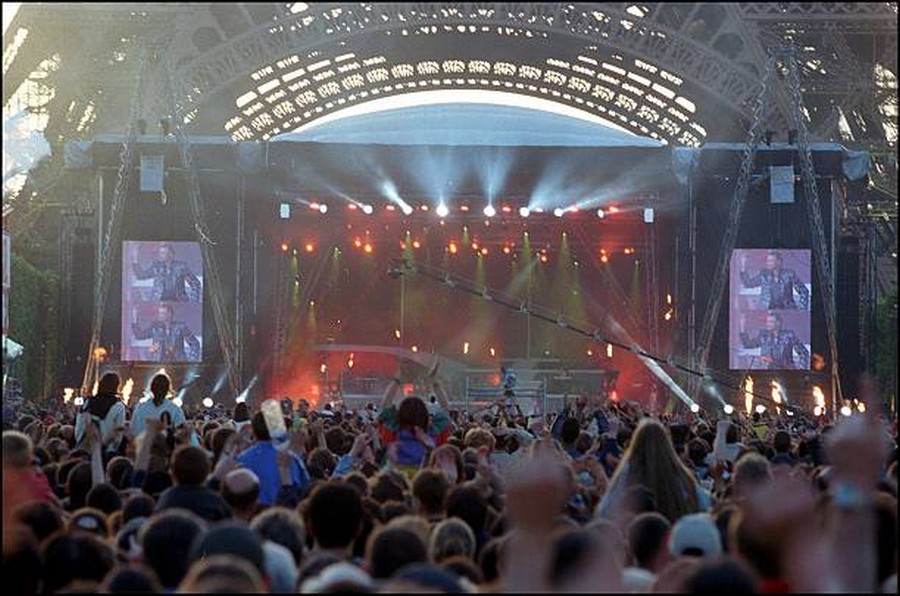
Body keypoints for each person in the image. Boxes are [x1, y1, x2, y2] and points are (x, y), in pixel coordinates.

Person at [74, 372, 126, 457]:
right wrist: (112, 449)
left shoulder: (88, 402)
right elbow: (118, 433)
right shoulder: (119, 407)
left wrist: (80, 442)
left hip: (84, 449)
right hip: (106, 451)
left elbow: (79, 426)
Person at [739, 250, 809, 310]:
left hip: (786, 310)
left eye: (771, 261)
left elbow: (804, 291)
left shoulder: (789, 275)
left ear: (779, 262)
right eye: (768, 261)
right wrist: (743, 266)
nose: (768, 263)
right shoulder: (764, 275)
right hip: (767, 310)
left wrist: (802, 309)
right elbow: (748, 284)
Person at [132, 242, 201, 302]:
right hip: (159, 301)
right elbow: (141, 276)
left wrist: (193, 301)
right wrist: (135, 259)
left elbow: (196, 284)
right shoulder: (156, 267)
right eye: (160, 253)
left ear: (171, 255)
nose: (160, 256)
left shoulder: (181, 267)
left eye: (163, 253)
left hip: (178, 301)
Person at [739, 311, 810, 369]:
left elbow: (804, 353)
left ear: (778, 323)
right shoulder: (763, 336)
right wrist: (742, 327)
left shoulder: (789, 335)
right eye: (767, 322)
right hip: (768, 372)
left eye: (771, 322)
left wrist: (800, 371)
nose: (768, 324)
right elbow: (748, 345)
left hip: (785, 371)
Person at [131, 303, 201, 362]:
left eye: (163, 313)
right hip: (159, 363)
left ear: (170, 314)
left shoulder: (180, 327)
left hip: (177, 363)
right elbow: (139, 336)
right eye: (160, 313)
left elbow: (195, 344)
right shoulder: (155, 327)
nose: (160, 315)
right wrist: (134, 319)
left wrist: (191, 361)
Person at [130, 373, 186, 438]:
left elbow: (132, 433)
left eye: (161, 388)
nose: (159, 390)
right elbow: (183, 435)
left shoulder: (140, 408)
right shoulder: (175, 410)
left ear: (152, 389)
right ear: (167, 390)